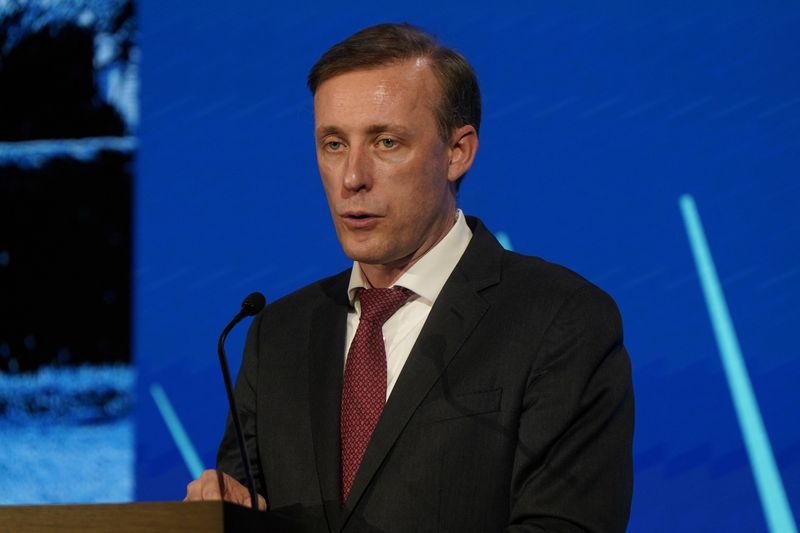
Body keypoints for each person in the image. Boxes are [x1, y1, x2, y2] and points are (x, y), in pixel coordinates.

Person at [186, 23, 634, 532]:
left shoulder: (560, 319)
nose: (352, 177)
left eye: (386, 142)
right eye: (333, 144)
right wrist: (220, 511)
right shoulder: (277, 334)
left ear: (457, 152)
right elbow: (246, 508)